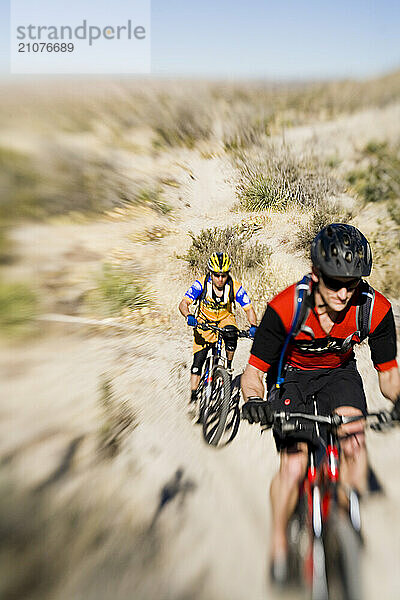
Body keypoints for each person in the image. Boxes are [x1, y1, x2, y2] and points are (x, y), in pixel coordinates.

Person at [241, 223, 400, 584]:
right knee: (294, 467)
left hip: (339, 374)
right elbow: (254, 372)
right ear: (316, 274)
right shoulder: (285, 308)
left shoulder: (374, 310)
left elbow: (389, 375)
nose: (344, 293)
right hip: (291, 377)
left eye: (352, 282)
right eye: (334, 282)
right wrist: (253, 401)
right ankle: (279, 540)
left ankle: (346, 515)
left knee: (354, 440)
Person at [179, 251, 258, 403]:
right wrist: (188, 315)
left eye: (224, 275)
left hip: (224, 318)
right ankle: (194, 396)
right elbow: (184, 303)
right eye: (216, 275)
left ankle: (227, 367)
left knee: (231, 333)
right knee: (198, 361)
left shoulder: (234, 287)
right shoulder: (201, 283)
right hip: (204, 321)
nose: (220, 279)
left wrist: (253, 325)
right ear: (211, 273)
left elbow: (249, 309)